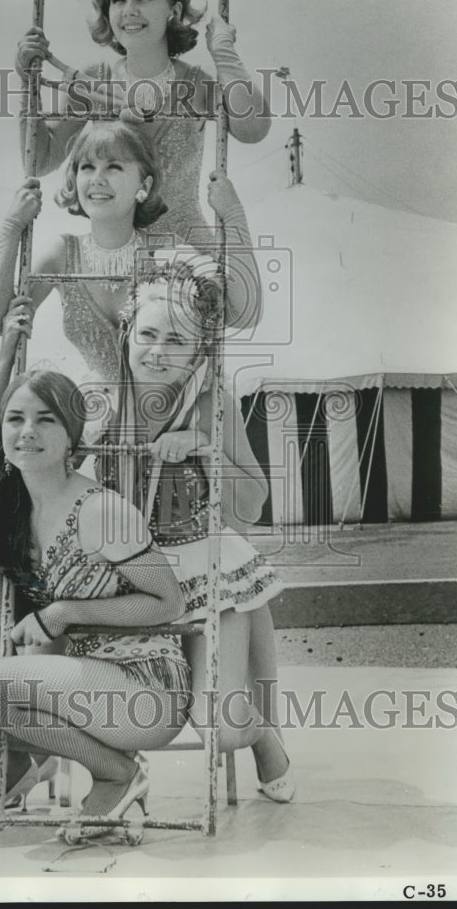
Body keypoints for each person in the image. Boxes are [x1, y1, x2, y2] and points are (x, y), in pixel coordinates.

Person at [0, 321, 192, 839]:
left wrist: (67, 612)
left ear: (72, 434)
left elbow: (169, 603)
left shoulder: (97, 508)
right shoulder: (14, 509)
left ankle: (120, 772)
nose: (26, 431)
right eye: (15, 419)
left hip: (145, 688)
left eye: (45, 420)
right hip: (86, 678)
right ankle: (26, 762)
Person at [92, 258, 294, 799]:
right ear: (126, 334)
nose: (157, 351)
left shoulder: (211, 404)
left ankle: (260, 734)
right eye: (148, 334)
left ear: (198, 351)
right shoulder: (96, 408)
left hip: (204, 572)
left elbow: (252, 502)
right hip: (124, 580)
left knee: (223, 727)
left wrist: (205, 452)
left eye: (176, 341)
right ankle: (99, 774)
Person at [0, 119, 261, 386]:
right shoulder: (62, 254)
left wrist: (233, 215)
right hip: (97, 425)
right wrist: (12, 227)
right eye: (87, 167)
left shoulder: (165, 252)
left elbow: (245, 315)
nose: (97, 179)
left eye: (114, 166)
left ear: (143, 185)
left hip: (172, 424)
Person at [14, 0, 271, 243]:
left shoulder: (195, 82)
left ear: (173, 10)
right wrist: (29, 83)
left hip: (187, 250)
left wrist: (224, 53)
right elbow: (38, 161)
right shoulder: (94, 78)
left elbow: (253, 130)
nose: (129, 10)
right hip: (112, 253)